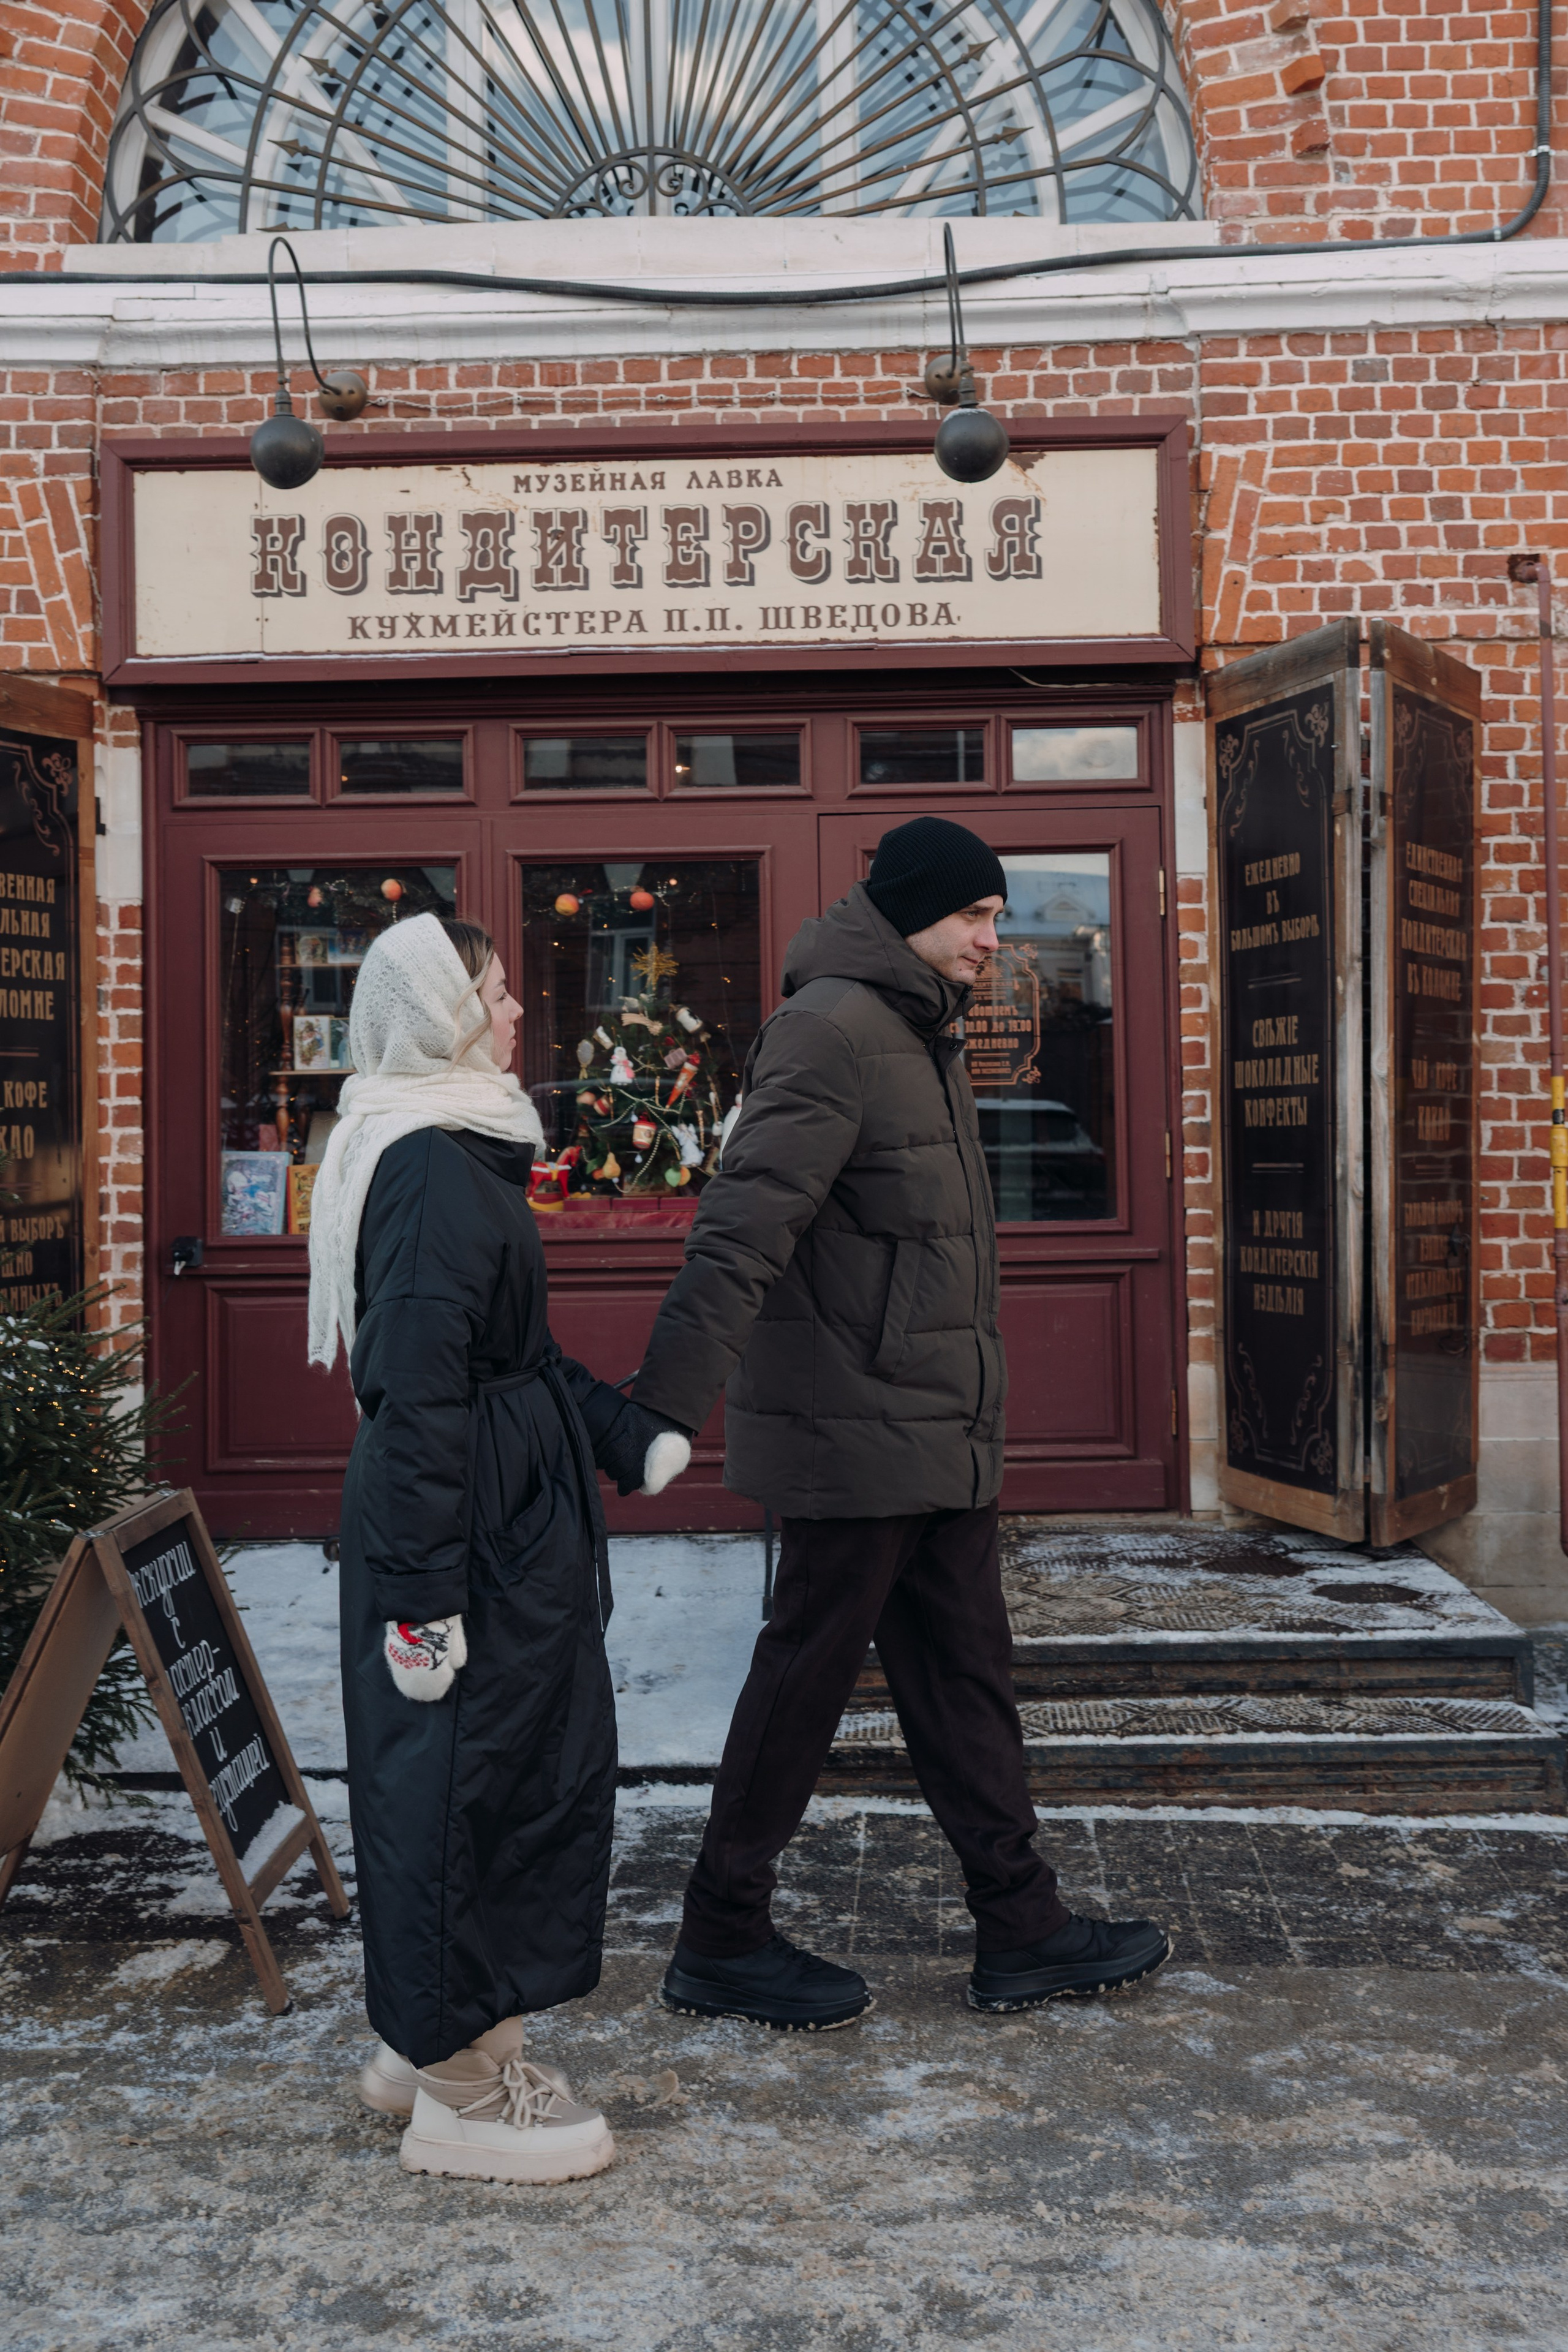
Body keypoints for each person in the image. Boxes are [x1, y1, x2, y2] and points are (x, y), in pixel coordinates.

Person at [628, 816, 1171, 2027]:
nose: (995, 935)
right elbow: (741, 1226)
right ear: (918, 913)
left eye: (996, 915)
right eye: (977, 915)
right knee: (804, 1675)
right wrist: (662, 1406)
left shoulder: (917, 1029)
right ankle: (720, 1932)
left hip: (931, 1428)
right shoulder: (831, 1030)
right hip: (851, 1429)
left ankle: (1020, 1924)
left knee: (963, 1677)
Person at [307, 911, 686, 2184]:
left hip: (497, 1519)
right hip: (459, 1534)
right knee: (465, 1794)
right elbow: (417, 1390)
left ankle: (424, 2049)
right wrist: (419, 1601)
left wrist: (616, 1435)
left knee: (501, 1780)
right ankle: (464, 2095)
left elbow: (505, 1354)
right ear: (441, 1012)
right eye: (498, 990)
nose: (520, 1008)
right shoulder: (420, 1161)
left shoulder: (454, 1143)